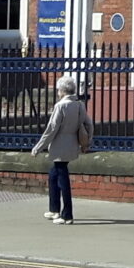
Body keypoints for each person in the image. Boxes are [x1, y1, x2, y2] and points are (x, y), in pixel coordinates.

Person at [30, 73, 93, 225]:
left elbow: (51, 129)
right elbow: (89, 124)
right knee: (53, 174)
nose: (58, 92)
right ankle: (54, 209)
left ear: (62, 91)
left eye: (58, 90)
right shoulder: (79, 105)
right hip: (72, 144)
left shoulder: (61, 106)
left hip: (59, 145)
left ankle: (67, 214)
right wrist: (87, 142)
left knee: (62, 178)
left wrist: (37, 148)